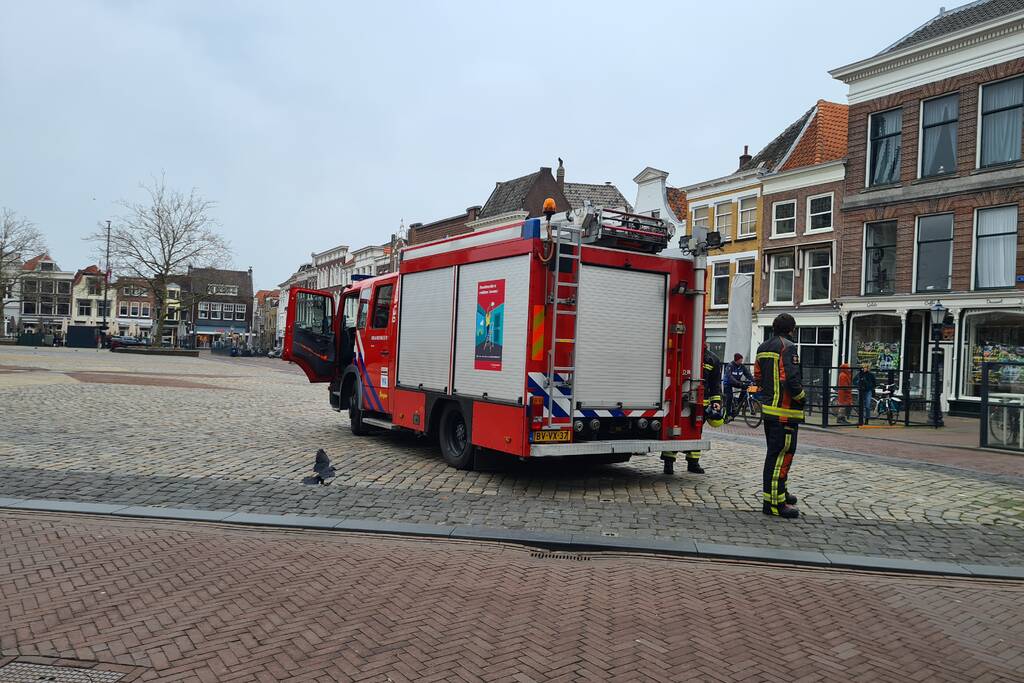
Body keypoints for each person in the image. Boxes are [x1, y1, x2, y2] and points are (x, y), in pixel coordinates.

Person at [755, 313, 805, 519]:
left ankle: (779, 493)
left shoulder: (762, 347)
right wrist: (802, 397)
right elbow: (791, 378)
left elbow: (758, 377)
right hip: (785, 412)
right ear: (791, 329)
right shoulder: (789, 347)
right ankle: (775, 504)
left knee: (774, 456)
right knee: (781, 458)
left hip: (769, 412)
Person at [661, 344, 722, 475]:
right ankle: (668, 463)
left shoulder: (713, 359)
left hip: (701, 404)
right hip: (679, 401)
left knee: (696, 432)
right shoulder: (683, 353)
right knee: (674, 430)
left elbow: (715, 383)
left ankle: (693, 463)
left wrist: (716, 401)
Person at [724, 353, 754, 417]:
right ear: (736, 360)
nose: (741, 362)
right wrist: (738, 383)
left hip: (737, 382)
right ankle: (727, 415)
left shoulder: (742, 366)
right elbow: (730, 376)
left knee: (745, 387)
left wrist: (754, 381)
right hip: (728, 383)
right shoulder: (730, 366)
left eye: (741, 360)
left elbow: (748, 374)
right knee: (729, 397)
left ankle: (738, 402)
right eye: (740, 360)